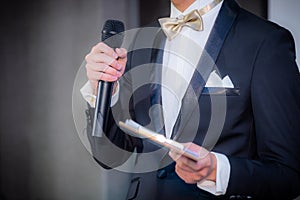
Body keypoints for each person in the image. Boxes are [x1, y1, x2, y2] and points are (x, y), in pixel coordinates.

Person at [81, 0, 300, 199]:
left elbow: (289, 175)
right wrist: (102, 92)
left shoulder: (266, 41)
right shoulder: (143, 38)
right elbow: (109, 156)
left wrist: (217, 170)